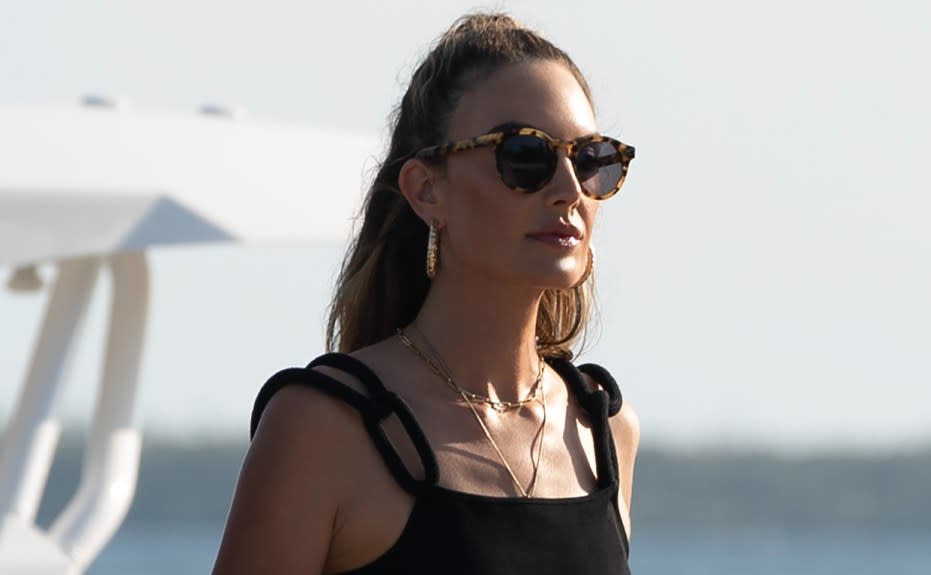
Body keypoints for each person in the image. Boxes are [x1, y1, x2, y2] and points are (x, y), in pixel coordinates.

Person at [213, 12, 639, 575]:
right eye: (525, 157)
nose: (568, 191)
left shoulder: (604, 430)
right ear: (426, 190)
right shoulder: (323, 427)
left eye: (590, 159)